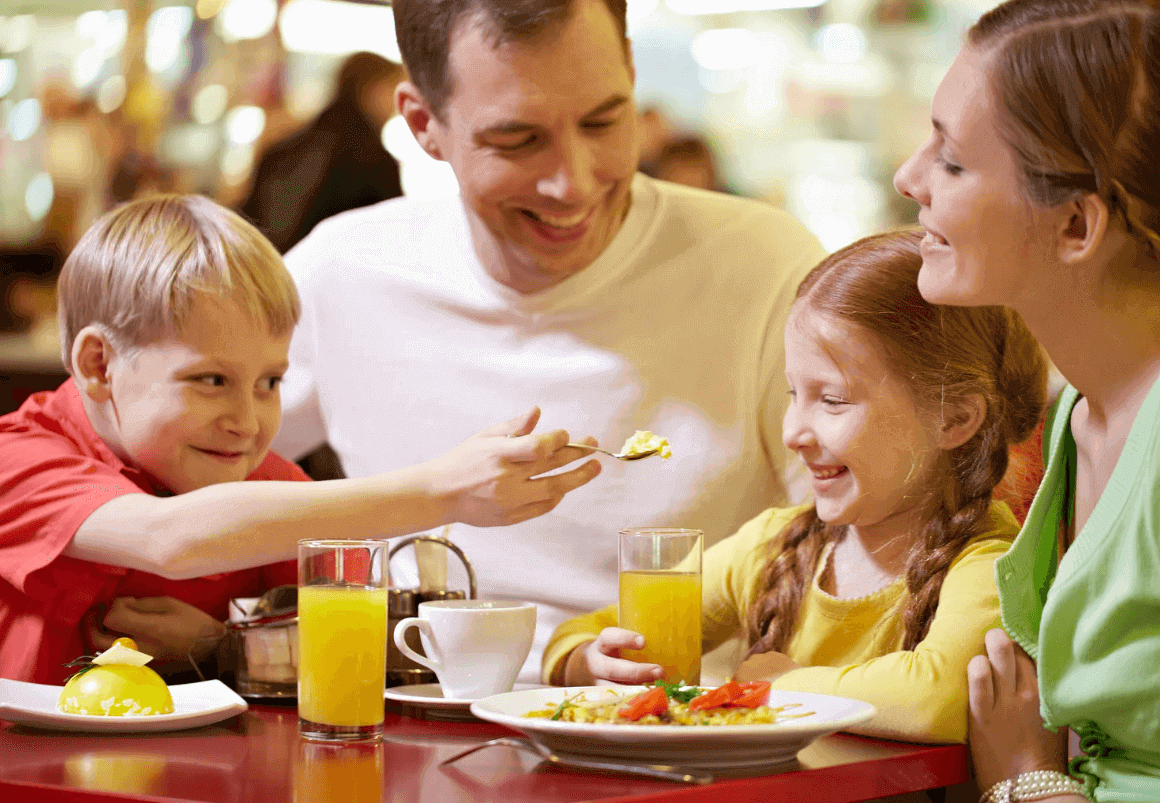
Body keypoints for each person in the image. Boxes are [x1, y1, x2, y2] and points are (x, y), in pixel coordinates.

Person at [272, 0, 827, 682]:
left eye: (603, 120)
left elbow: (871, 539)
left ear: (630, 71)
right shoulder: (343, 273)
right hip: (413, 742)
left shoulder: (765, 267)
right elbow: (159, 468)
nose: (573, 181)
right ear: (423, 124)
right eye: (516, 141)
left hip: (683, 747)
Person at [0, 194, 599, 685]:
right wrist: (444, 490)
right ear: (101, 365)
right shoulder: (20, 458)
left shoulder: (266, 485)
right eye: (211, 380)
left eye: (270, 381)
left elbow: (376, 654)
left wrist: (219, 649)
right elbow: (170, 537)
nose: (248, 419)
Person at [892, 0, 1160, 800]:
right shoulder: (1085, 404)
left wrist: (1027, 782)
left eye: (954, 161)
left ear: (1075, 224)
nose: (909, 177)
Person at [545, 230, 1047, 743]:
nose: (792, 433)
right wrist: (589, 662)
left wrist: (779, 684)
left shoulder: (989, 563)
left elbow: (933, 699)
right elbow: (585, 632)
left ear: (954, 418)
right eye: (793, 393)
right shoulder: (774, 547)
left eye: (832, 400)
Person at [240, 51, 405, 255]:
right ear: (373, 90)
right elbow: (393, 239)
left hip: (270, 270)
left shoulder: (287, 147)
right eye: (393, 91)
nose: (398, 107)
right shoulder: (375, 162)